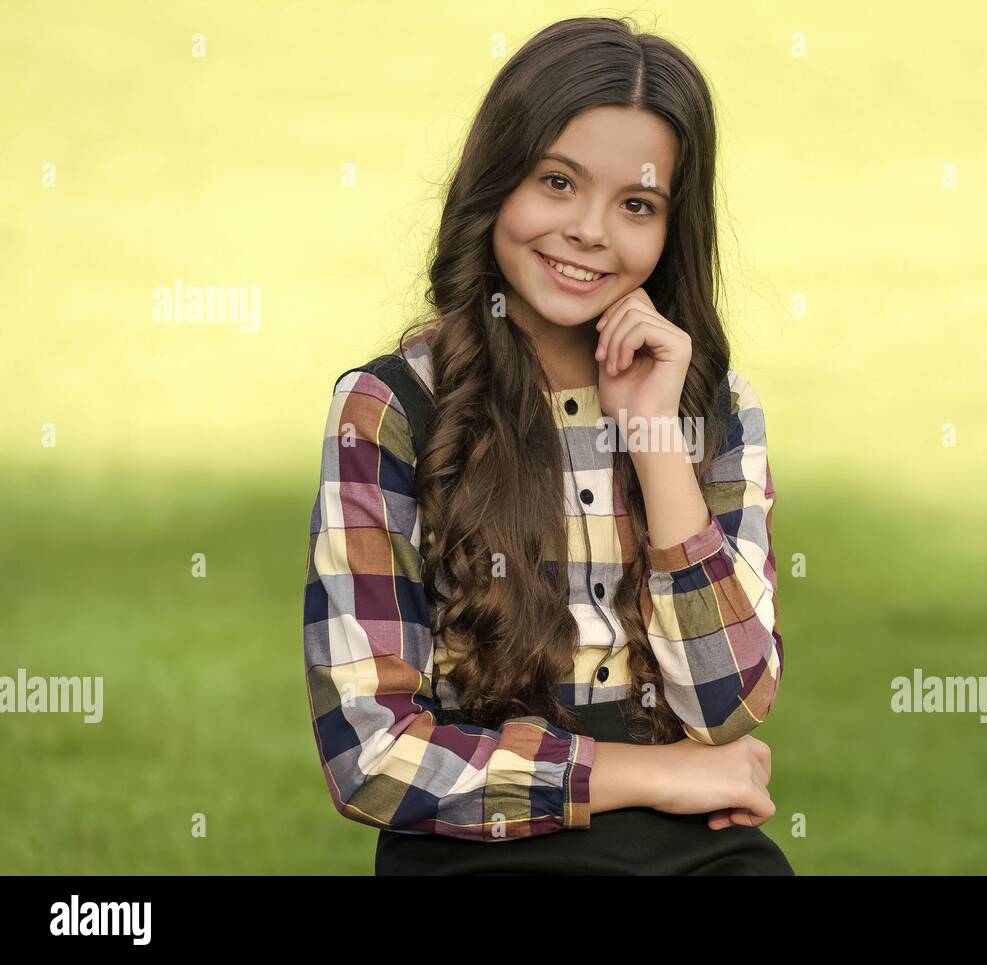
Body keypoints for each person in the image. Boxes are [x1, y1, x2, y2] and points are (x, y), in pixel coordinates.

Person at [302, 15, 792, 875]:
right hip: (475, 838)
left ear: (672, 228)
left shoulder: (714, 405)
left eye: (636, 204)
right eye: (557, 182)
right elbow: (373, 758)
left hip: (687, 840)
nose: (590, 231)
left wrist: (652, 436)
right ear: (496, 182)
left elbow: (725, 705)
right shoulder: (390, 409)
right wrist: (650, 773)